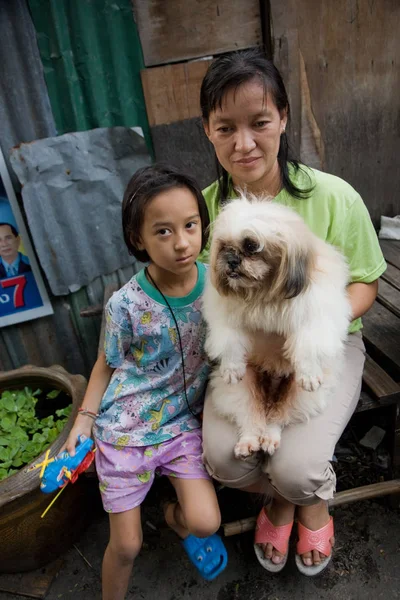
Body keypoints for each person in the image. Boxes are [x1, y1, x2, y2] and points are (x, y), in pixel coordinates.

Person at [198, 49, 386, 576]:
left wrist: (309, 331)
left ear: (283, 116)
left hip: (323, 340)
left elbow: (366, 284)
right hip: (242, 345)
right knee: (224, 461)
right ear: (207, 131)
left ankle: (303, 500)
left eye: (259, 122)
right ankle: (282, 495)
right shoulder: (204, 208)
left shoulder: (334, 197)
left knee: (299, 470)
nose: (244, 143)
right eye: (225, 127)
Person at [64, 164, 226, 600]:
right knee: (127, 544)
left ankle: (175, 520)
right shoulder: (126, 305)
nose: (182, 242)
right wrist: (84, 422)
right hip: (126, 430)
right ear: (138, 239)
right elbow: (105, 364)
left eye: (190, 225)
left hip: (181, 426)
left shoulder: (219, 282)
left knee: (206, 522)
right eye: (163, 231)